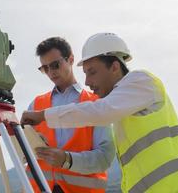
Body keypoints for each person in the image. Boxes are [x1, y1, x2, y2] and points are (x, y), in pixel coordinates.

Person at [21, 33, 178, 193]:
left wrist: (44, 115)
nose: (87, 81)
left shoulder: (141, 81)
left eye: (92, 72)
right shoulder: (121, 112)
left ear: (114, 66)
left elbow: (101, 112)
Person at [26, 37, 115, 193]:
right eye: (45, 68)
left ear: (71, 59)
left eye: (55, 65)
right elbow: (24, 155)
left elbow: (104, 158)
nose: (51, 72)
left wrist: (67, 159)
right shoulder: (36, 105)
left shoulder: (97, 103)